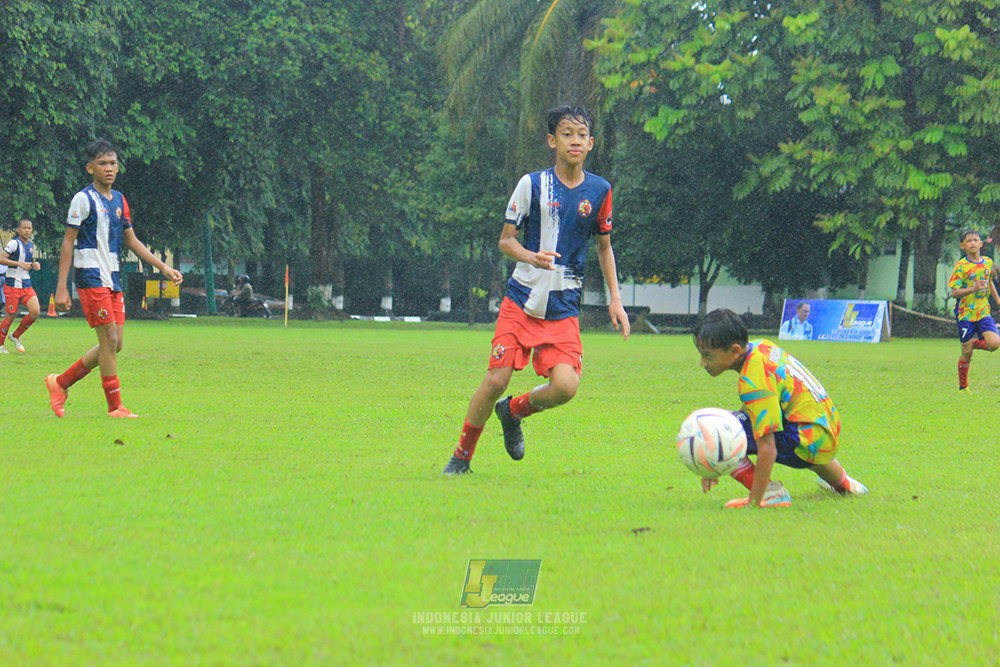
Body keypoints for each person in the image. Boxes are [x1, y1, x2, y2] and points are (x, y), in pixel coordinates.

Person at [442, 105, 630, 475]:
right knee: (496, 378)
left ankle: (512, 412)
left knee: (565, 387)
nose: (574, 141)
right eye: (566, 134)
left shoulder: (600, 190)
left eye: (581, 135)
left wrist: (616, 299)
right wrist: (532, 256)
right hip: (521, 301)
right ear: (551, 141)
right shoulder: (531, 184)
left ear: (591, 143)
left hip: (563, 308)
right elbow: (505, 241)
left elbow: (604, 247)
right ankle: (461, 457)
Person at [45, 139, 183, 418]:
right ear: (90, 168)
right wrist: (61, 287)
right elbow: (68, 242)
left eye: (113, 163)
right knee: (108, 339)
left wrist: (164, 268)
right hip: (89, 277)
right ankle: (115, 407)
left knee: (115, 344)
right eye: (103, 163)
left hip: (113, 279)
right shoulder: (82, 199)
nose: (109, 168)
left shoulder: (120, 200)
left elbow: (132, 241)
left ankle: (60, 382)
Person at [693, 308, 868, 508]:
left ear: (734, 351)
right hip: (826, 430)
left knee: (716, 432)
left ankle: (770, 494)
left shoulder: (753, 381)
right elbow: (757, 405)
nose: (702, 362)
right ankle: (844, 484)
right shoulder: (761, 347)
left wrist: (716, 450)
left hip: (806, 440)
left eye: (707, 355)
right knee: (730, 423)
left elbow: (768, 449)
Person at [948, 228, 1000, 392]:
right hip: (965, 314)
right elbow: (954, 293)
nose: (972, 243)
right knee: (967, 354)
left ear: (981, 244)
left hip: (983, 312)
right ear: (962, 245)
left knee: (994, 344)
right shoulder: (961, 266)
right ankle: (963, 387)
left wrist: (998, 300)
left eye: (975, 240)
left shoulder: (988, 262)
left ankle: (970, 344)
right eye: (968, 241)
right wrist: (972, 289)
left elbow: (989, 280)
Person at [0, 219, 42, 353]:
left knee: (35, 312)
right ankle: (0, 344)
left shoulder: (30, 244)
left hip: (26, 284)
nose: (27, 230)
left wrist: (35, 265)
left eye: (29, 228)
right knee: (11, 314)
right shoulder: (14, 243)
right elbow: (1, 258)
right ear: (18, 230)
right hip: (12, 283)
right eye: (24, 228)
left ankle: (15, 335)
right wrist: (18, 263)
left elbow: (28, 263)